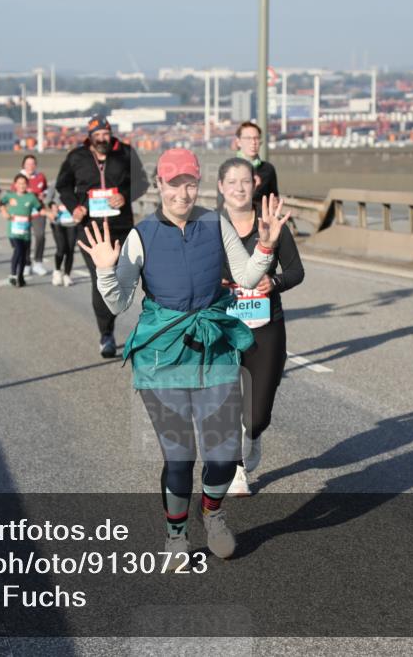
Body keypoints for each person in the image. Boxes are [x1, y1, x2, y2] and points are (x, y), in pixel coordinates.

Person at [78, 148, 291, 558]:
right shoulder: (142, 235)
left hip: (214, 349)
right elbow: (120, 302)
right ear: (159, 185)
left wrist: (265, 247)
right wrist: (107, 269)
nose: (182, 192)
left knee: (224, 456)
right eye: (174, 183)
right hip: (162, 356)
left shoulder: (216, 223)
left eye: (189, 183)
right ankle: (176, 537)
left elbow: (246, 275)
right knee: (180, 458)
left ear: (198, 184)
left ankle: (212, 513)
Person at [216, 157, 304, 497]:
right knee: (226, 402)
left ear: (255, 185)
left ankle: (252, 436)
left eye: (245, 181)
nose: (239, 187)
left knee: (257, 415)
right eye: (232, 181)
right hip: (224, 326)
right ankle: (237, 469)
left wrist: (275, 282)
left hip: (266, 327)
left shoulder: (270, 225)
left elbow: (296, 272)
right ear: (221, 187)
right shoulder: (210, 228)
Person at [56, 115, 150, 357]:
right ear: (90, 136)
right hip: (91, 230)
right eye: (97, 135)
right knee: (102, 281)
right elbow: (62, 186)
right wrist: (74, 207)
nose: (102, 139)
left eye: (105, 134)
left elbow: (142, 182)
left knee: (132, 279)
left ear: (110, 134)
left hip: (121, 228)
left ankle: (151, 328)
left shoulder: (126, 153)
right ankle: (106, 334)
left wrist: (125, 195)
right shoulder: (76, 157)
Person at [0, 173, 42, 287]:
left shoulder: (31, 197)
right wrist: (4, 211)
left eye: (24, 183)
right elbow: (1, 203)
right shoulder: (10, 195)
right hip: (13, 232)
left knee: (23, 255)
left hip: (25, 233)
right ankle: (13, 275)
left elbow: (40, 208)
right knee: (18, 249)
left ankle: (21, 276)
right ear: (15, 185)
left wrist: (50, 214)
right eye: (19, 183)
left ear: (27, 185)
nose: (22, 185)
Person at [15, 154, 49, 276]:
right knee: (25, 238)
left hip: (38, 211)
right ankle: (26, 264)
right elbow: (13, 194)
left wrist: (43, 195)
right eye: (28, 164)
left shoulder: (40, 176)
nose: (30, 166)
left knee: (40, 235)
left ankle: (38, 263)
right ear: (23, 165)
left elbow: (46, 189)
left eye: (33, 164)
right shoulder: (20, 178)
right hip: (23, 213)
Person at [47, 198, 78, 287]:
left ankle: (67, 275)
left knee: (70, 250)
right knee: (61, 249)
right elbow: (46, 201)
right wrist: (52, 205)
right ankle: (57, 271)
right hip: (58, 223)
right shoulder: (54, 185)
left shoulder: (77, 185)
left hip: (72, 223)